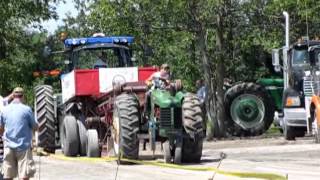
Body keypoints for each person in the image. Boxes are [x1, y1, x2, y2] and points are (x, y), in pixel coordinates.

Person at [0, 87, 38, 180]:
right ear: (23, 96)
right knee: (24, 176)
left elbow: (0, 128)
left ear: (13, 96)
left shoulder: (4, 110)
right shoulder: (27, 109)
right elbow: (35, 126)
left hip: (8, 147)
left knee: (8, 176)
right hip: (23, 147)